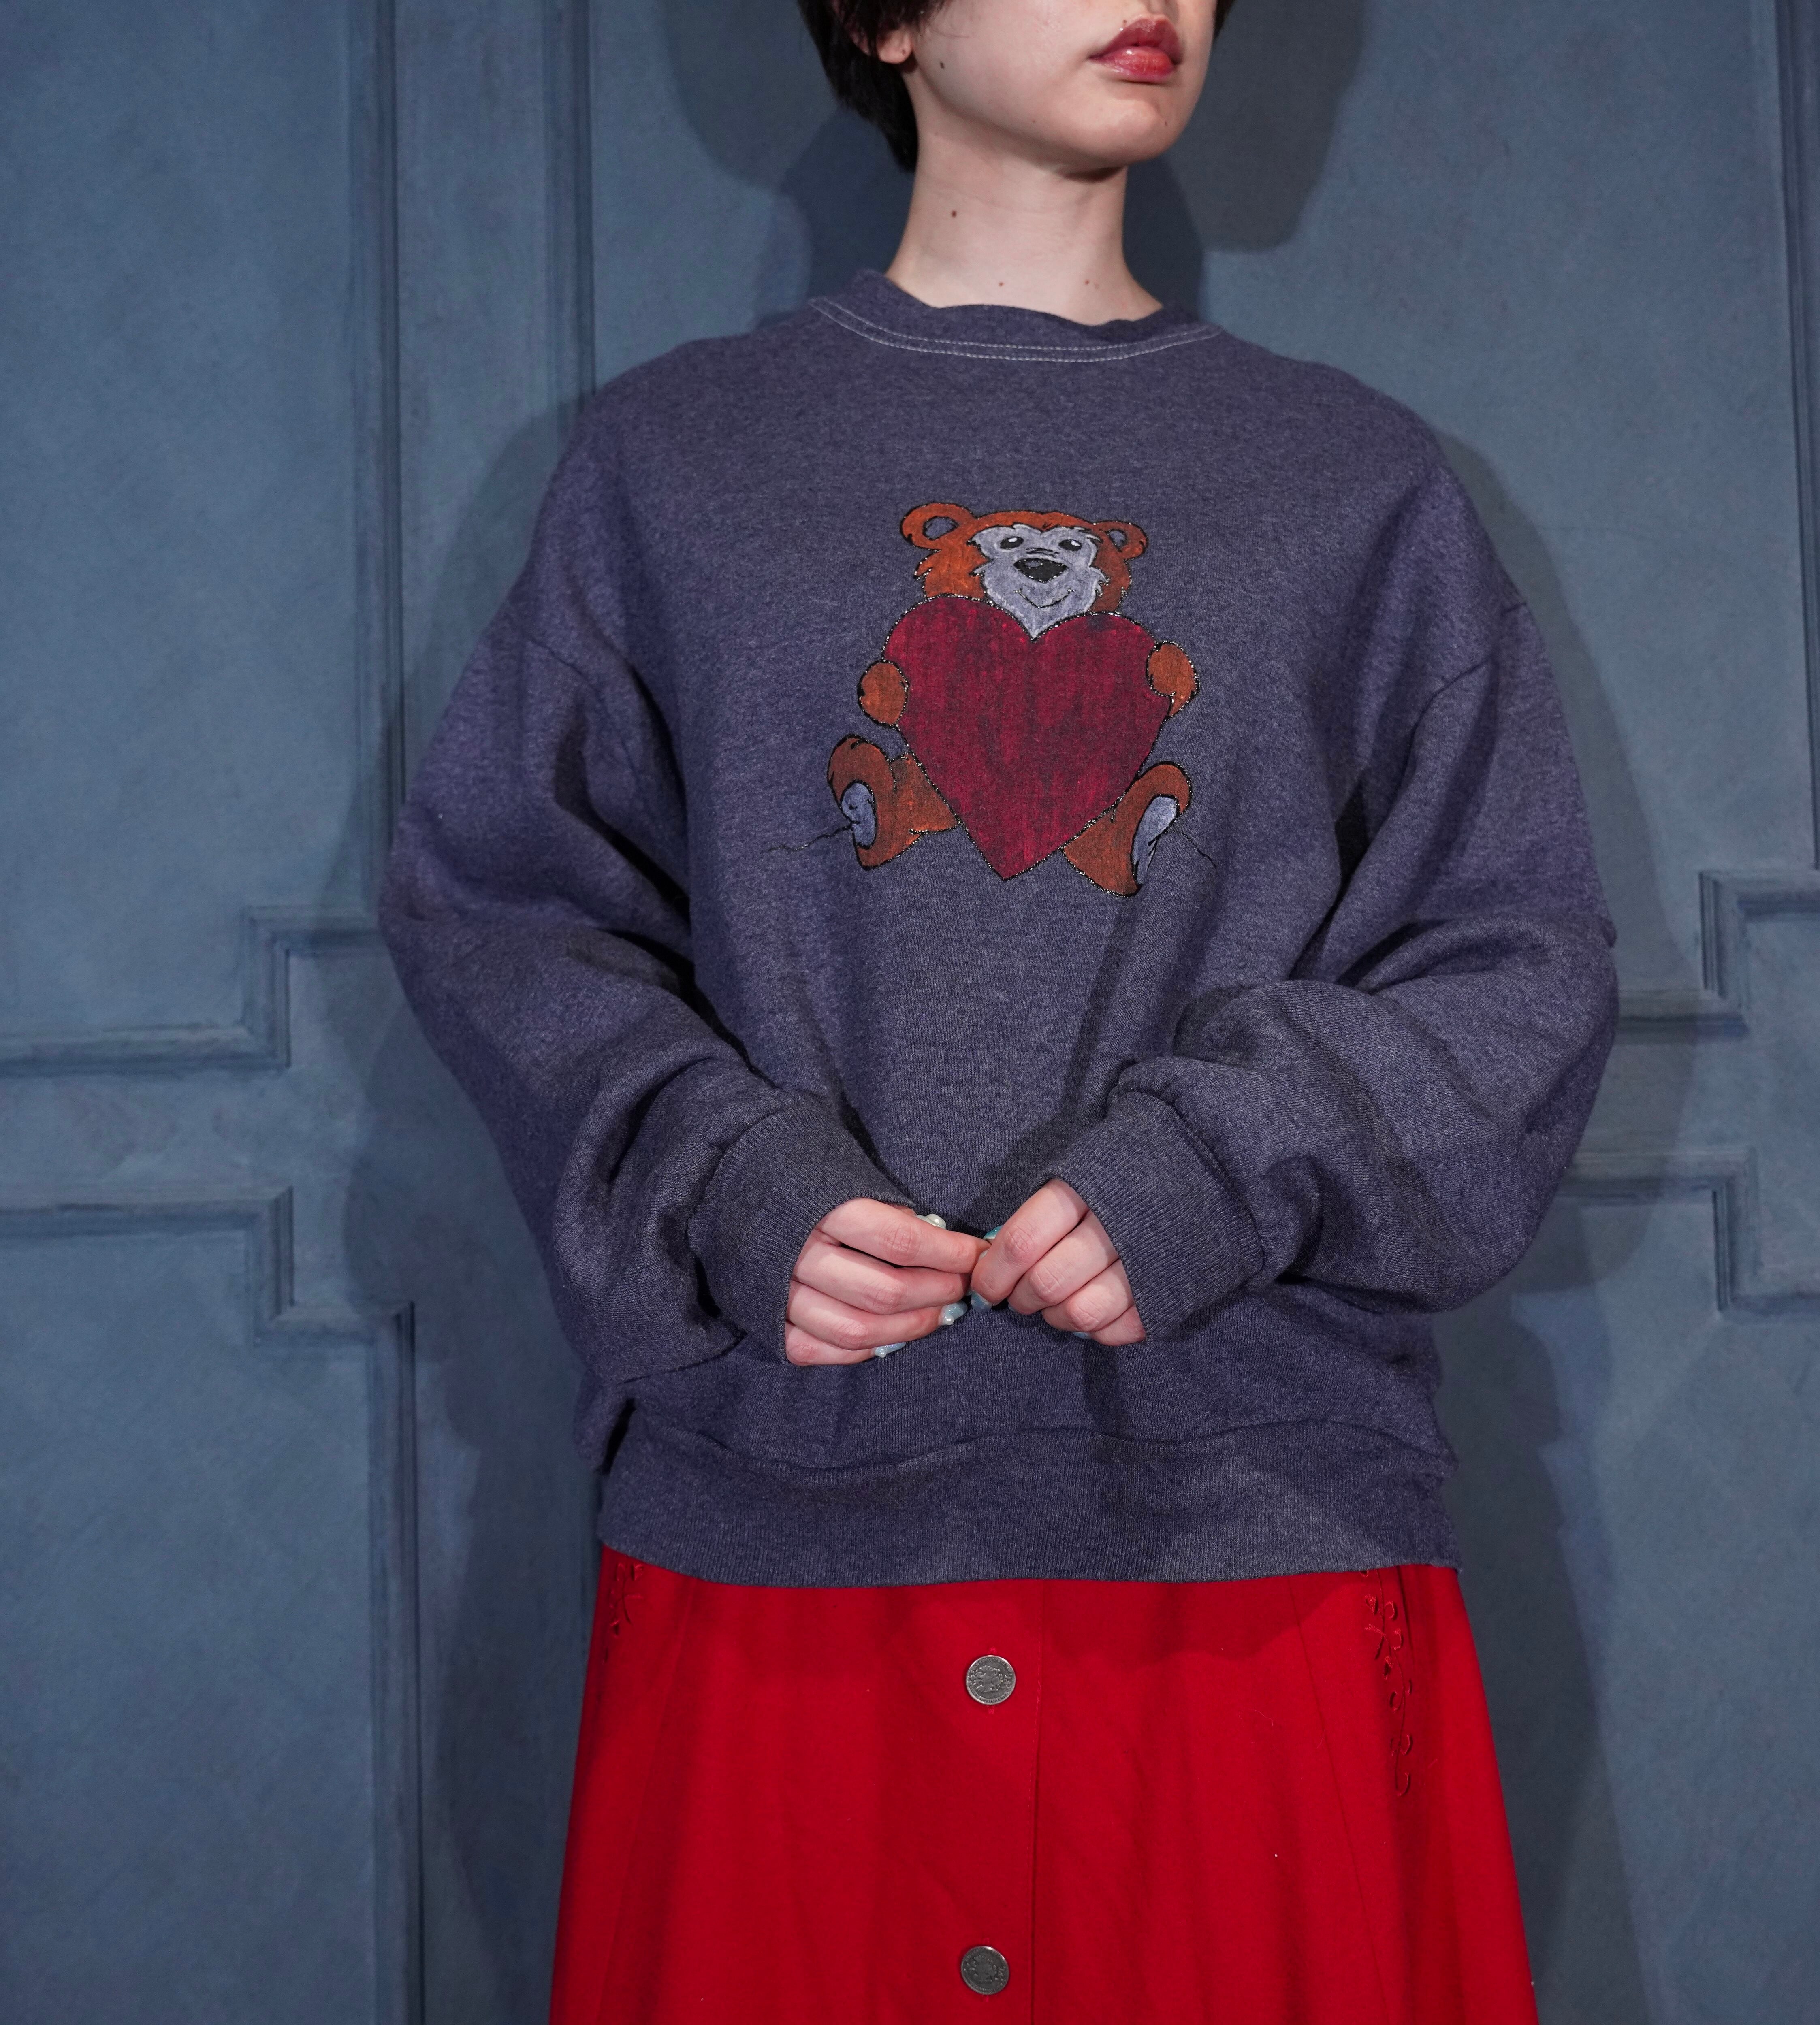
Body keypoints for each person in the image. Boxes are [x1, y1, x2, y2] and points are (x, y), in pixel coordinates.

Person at [376, 0, 1620, 2016]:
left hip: (1248, 1530)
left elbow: (1517, 959)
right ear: (883, 15)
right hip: (786, 1525)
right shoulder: (674, 466)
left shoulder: (1354, 482)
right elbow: (503, 903)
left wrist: (1219, 1161)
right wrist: (720, 1173)